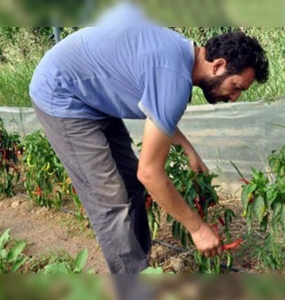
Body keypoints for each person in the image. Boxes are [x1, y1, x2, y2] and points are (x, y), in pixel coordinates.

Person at [29, 25, 269, 274]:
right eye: (237, 86)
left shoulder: (181, 54)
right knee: (109, 200)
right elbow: (150, 173)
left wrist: (188, 148)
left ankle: (140, 264)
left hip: (90, 93)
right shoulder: (174, 78)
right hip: (61, 94)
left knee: (131, 184)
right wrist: (197, 228)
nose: (234, 98)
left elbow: (157, 107)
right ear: (218, 65)